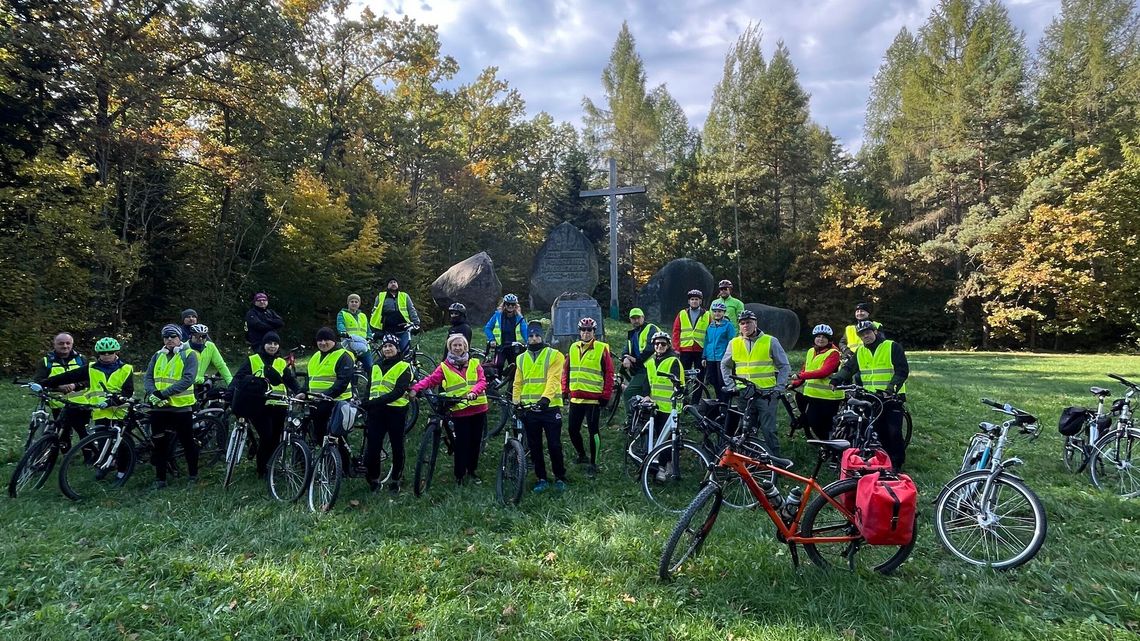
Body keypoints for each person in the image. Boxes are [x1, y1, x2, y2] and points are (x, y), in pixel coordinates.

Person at [43, 337, 135, 484]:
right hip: (100, 412)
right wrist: (43, 383)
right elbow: (68, 376)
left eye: (110, 352)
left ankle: (122, 471)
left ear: (116, 352)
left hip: (120, 411)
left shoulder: (126, 369)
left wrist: (113, 401)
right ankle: (104, 466)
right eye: (103, 353)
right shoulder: (92, 367)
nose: (106, 355)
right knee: (103, 440)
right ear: (98, 353)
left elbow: (128, 392)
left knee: (122, 444)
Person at [409, 334, 488, 485]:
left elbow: (482, 381)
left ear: (465, 347)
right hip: (460, 410)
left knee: (475, 442)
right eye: (454, 345)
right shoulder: (444, 367)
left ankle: (472, 471)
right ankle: (459, 474)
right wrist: (416, 388)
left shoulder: (474, 363)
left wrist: (474, 392)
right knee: (462, 443)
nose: (457, 348)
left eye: (460, 345)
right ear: (449, 348)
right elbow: (431, 379)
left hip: (478, 407)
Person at [830, 320, 910, 469]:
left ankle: (897, 463)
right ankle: (885, 460)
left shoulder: (892, 347)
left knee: (894, 432)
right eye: (862, 334)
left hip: (891, 397)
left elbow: (902, 371)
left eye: (868, 332)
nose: (865, 336)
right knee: (878, 432)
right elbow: (849, 368)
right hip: (871, 398)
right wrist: (836, 379)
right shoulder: (860, 351)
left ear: (875, 332)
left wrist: (891, 387)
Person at [229, 331, 300, 478]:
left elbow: (290, 380)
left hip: (280, 404)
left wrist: (300, 391)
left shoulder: (281, 362)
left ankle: (271, 467)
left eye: (275, 343)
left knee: (275, 438)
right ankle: (262, 469)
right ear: (264, 344)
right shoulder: (253, 359)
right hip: (259, 405)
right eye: (269, 343)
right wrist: (230, 392)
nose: (272, 346)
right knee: (266, 436)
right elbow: (239, 377)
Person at [720, 309, 791, 456]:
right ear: (739, 326)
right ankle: (748, 459)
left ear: (755, 323)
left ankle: (775, 462)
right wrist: (731, 385)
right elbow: (725, 365)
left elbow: (784, 366)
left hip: (767, 393)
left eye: (749, 322)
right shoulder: (734, 343)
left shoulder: (770, 341)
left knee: (768, 429)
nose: (746, 326)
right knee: (745, 428)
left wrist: (779, 388)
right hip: (744, 393)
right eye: (742, 323)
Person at [143, 324, 200, 488]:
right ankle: (160, 479)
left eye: (173, 336)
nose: (169, 339)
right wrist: (153, 393)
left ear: (180, 338)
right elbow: (148, 377)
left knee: (188, 442)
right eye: (166, 337)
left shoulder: (189, 355)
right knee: (159, 444)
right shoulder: (157, 355)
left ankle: (193, 476)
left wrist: (163, 393)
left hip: (181, 409)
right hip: (159, 408)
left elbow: (188, 379)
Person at [513, 321, 568, 492]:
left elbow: (553, 379)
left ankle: (560, 477)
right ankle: (541, 477)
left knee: (554, 444)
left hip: (549, 408)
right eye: (531, 335)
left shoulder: (555, 355)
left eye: (537, 335)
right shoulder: (520, 358)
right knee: (535, 445)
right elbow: (518, 382)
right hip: (529, 409)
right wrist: (516, 403)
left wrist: (545, 399)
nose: (534, 338)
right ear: (527, 337)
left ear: (542, 336)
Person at [562, 317, 614, 477]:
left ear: (594, 332)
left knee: (593, 432)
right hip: (576, 398)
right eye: (583, 330)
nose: (586, 333)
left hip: (593, 400)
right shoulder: (573, 347)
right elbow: (566, 370)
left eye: (589, 330)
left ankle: (594, 462)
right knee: (572, 430)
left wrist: (606, 396)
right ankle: (581, 455)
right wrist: (564, 389)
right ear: (579, 332)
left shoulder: (601, 348)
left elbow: (609, 374)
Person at [361, 334, 412, 494]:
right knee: (373, 446)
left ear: (397, 349)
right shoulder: (375, 366)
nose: (387, 349)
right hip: (376, 413)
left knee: (397, 446)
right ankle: (374, 480)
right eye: (385, 346)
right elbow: (369, 388)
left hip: (396, 411)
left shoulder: (404, 366)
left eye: (391, 346)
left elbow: (398, 392)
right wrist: (365, 403)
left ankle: (396, 479)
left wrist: (374, 402)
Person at [33, 332, 89, 450]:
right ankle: (66, 456)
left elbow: (90, 380)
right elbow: (39, 381)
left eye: (68, 343)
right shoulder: (46, 361)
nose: (65, 346)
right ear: (54, 344)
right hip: (58, 403)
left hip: (80, 402)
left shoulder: (81, 359)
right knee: (63, 432)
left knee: (83, 431)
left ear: (72, 344)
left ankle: (89, 456)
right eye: (61, 343)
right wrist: (58, 388)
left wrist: (75, 385)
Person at [300, 327, 355, 445]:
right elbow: (309, 379)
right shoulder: (315, 356)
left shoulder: (343, 356)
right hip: (317, 402)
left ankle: (342, 462)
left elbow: (342, 382)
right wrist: (303, 391)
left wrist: (324, 395)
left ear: (334, 340)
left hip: (338, 402)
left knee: (338, 438)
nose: (323, 343)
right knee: (318, 434)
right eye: (320, 340)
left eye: (326, 340)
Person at [789, 324, 843, 440]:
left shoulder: (834, 353)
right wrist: (795, 383)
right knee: (813, 422)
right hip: (813, 395)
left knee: (825, 426)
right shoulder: (811, 351)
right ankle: (825, 447)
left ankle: (833, 449)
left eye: (824, 337)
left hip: (829, 397)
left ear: (829, 339)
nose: (821, 339)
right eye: (818, 336)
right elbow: (806, 370)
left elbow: (823, 372)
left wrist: (799, 375)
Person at [645, 331, 685, 481]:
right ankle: (658, 464)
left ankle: (662, 466)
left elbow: (679, 384)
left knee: (667, 439)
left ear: (668, 345)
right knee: (657, 437)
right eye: (656, 344)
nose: (659, 346)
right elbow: (647, 382)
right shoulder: (650, 362)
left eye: (663, 344)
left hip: (670, 406)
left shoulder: (673, 361)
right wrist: (646, 394)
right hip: (655, 406)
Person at [620, 308, 660, 420]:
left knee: (629, 392)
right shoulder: (633, 333)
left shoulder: (651, 328)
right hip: (641, 369)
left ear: (643, 318)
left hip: (650, 368)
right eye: (633, 318)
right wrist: (625, 358)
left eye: (638, 318)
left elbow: (651, 348)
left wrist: (634, 359)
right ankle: (639, 419)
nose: (636, 320)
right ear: (630, 320)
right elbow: (625, 350)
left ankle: (631, 419)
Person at [370, 278, 420, 353]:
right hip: (388, 330)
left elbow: (411, 310)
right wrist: (374, 328)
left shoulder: (404, 296)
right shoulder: (381, 296)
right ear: (387, 285)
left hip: (403, 329)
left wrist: (416, 323)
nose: (393, 284)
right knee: (389, 352)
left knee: (405, 351)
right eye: (390, 282)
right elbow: (374, 312)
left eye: (395, 282)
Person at [484, 293, 528, 373]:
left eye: (512, 304)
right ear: (504, 305)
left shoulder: (520, 318)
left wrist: (528, 342)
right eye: (508, 304)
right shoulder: (497, 315)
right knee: (498, 365)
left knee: (515, 367)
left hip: (515, 347)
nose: (510, 306)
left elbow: (525, 332)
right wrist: (492, 339)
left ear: (516, 306)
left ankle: (513, 384)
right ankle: (497, 382)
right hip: (501, 346)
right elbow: (488, 328)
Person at [702, 300, 737, 402]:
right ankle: (719, 399)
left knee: (722, 380)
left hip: (722, 357)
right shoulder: (710, 326)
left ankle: (725, 402)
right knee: (713, 380)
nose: (717, 313)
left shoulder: (728, 325)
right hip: (710, 357)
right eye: (715, 311)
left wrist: (730, 356)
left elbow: (732, 341)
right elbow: (706, 341)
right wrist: (704, 356)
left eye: (719, 311)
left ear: (724, 312)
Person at [672, 289, 710, 372]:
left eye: (697, 299)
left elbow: (710, 333)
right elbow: (676, 331)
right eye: (692, 299)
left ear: (700, 301)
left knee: (700, 373)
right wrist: (676, 348)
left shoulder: (707, 314)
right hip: (685, 348)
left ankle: (699, 385)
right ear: (689, 301)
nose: (694, 301)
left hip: (701, 348)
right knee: (684, 373)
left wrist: (707, 350)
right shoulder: (682, 313)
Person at [337, 294, 372, 370]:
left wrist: (370, 337)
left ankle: (370, 381)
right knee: (351, 369)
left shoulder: (363, 315)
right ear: (348, 303)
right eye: (352, 301)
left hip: (364, 346)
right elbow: (340, 324)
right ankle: (353, 382)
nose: (354, 303)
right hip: (349, 346)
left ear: (359, 304)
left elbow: (368, 329)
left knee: (370, 367)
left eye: (356, 302)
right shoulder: (342, 314)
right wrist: (342, 331)